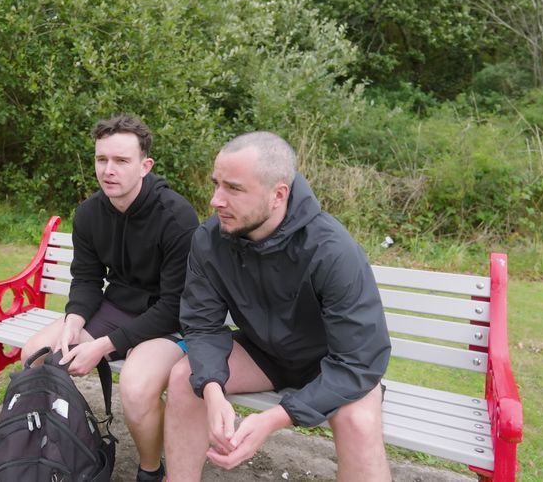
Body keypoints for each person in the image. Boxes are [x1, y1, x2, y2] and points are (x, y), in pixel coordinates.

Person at [164, 131, 392, 482]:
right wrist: (213, 391)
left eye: (234, 189)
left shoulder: (331, 249)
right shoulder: (210, 239)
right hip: (265, 354)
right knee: (186, 378)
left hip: (330, 364)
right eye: (216, 184)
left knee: (358, 422)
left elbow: (359, 360)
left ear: (278, 194)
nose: (216, 200)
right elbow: (201, 325)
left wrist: (275, 418)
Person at [21, 114, 199, 482]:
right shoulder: (88, 213)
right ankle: (59, 446)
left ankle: (150, 470)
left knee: (135, 386)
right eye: (102, 160)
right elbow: (86, 279)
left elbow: (174, 304)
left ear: (145, 166)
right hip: (117, 308)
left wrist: (103, 345)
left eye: (121, 161)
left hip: (170, 321)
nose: (109, 170)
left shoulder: (177, 217)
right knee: (36, 356)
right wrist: (74, 321)